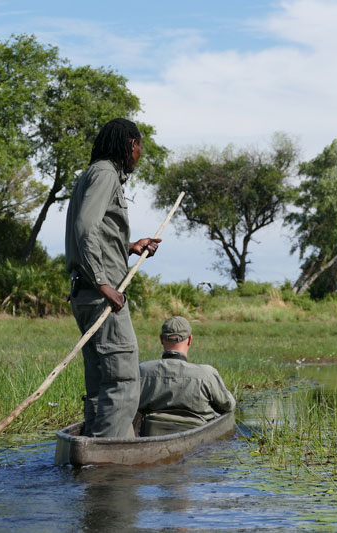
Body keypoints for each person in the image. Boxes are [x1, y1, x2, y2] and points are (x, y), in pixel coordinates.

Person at [65, 118, 161, 438]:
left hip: (85, 294)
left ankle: (92, 450)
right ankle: (110, 458)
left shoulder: (92, 174)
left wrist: (131, 247)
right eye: (139, 147)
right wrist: (104, 283)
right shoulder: (106, 173)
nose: (139, 155)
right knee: (122, 380)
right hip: (101, 296)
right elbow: (85, 228)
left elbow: (96, 232)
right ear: (131, 144)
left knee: (101, 382)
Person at [138, 316, 236, 436]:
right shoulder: (207, 374)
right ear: (189, 340)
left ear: (161, 339)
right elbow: (229, 406)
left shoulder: (141, 371)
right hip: (199, 438)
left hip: (151, 435)